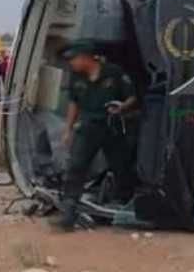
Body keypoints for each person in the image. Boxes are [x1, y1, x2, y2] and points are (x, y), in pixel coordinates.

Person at [56, 40, 139, 231]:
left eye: (74, 59)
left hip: (112, 126)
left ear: (86, 58)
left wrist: (122, 107)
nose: (72, 63)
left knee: (121, 165)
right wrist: (68, 129)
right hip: (88, 126)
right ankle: (68, 210)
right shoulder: (76, 76)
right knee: (76, 166)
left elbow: (132, 96)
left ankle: (122, 205)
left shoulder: (114, 73)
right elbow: (74, 103)